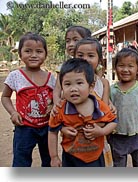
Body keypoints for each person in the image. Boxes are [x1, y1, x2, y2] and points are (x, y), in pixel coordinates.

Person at [48, 58, 117, 167]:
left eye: (79, 83)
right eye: (67, 84)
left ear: (91, 87)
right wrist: (54, 157)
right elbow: (52, 132)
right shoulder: (60, 109)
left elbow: (113, 121)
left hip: (96, 157)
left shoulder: (99, 106)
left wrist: (102, 131)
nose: (73, 89)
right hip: (71, 157)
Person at [1, 32, 56, 167]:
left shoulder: (51, 78)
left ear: (45, 55)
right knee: (21, 161)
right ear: (20, 55)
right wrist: (13, 113)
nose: (33, 55)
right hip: (24, 127)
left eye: (39, 51)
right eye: (28, 51)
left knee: (48, 160)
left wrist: (53, 105)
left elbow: (57, 98)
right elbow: (5, 96)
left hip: (47, 127)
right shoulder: (15, 76)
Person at [108, 48, 138, 167]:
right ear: (115, 68)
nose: (125, 70)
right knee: (119, 165)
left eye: (130, 66)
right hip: (117, 135)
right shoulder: (111, 90)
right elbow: (107, 113)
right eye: (121, 65)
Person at [53, 25, 91, 107]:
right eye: (67, 41)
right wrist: (56, 103)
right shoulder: (64, 68)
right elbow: (57, 89)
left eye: (75, 40)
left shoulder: (94, 66)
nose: (71, 44)